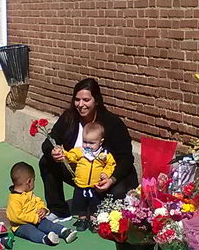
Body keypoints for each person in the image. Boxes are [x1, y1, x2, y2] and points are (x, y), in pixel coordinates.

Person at [39, 78, 138, 221]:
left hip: (107, 174)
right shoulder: (69, 118)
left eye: (86, 100)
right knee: (46, 162)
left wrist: (111, 179)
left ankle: (96, 206)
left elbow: (126, 158)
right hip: (81, 172)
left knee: (116, 198)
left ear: (96, 101)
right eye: (77, 100)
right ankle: (59, 210)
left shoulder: (112, 123)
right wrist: (53, 152)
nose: (81, 105)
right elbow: (49, 141)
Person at [63, 121, 117, 230]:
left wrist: (106, 173)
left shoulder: (104, 155)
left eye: (92, 143)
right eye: (85, 142)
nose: (87, 145)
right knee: (80, 204)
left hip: (95, 186)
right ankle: (82, 220)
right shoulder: (80, 152)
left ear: (101, 142)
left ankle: (93, 220)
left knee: (95, 204)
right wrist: (64, 153)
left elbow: (111, 165)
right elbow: (71, 156)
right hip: (80, 185)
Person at [7, 162, 76, 246]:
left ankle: (65, 232)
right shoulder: (14, 199)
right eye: (33, 180)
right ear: (29, 181)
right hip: (20, 226)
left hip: (36, 220)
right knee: (31, 231)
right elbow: (16, 217)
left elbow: (38, 201)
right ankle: (46, 239)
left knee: (47, 224)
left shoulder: (28, 193)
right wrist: (34, 218)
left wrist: (43, 209)